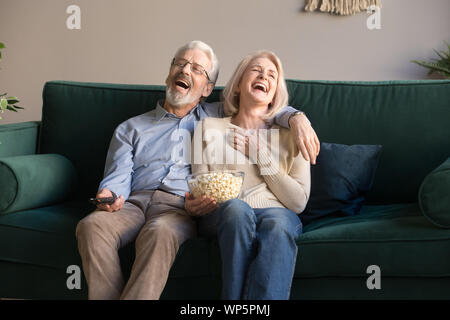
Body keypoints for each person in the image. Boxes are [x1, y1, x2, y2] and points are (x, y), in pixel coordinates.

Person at [75, 40, 318, 300]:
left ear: (207, 89)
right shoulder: (130, 128)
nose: (185, 71)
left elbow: (258, 103)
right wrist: (109, 194)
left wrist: (296, 117)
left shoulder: (212, 116)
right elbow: (117, 176)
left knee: (160, 233)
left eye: (197, 69)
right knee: (91, 226)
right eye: (180, 64)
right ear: (169, 73)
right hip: (133, 204)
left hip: (177, 206)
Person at [191, 50, 310, 300]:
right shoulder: (208, 128)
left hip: (277, 213)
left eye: (272, 75)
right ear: (238, 85)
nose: (263, 76)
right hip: (226, 212)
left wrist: (260, 154)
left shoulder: (293, 135)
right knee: (236, 209)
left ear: (276, 91)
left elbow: (298, 202)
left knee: (278, 225)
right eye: (256, 70)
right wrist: (194, 204)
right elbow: (200, 186)